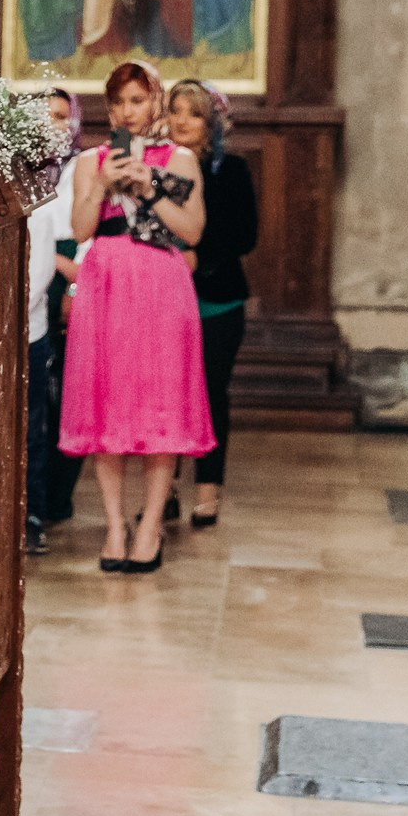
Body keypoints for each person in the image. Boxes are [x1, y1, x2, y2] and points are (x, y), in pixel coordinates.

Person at [58, 61, 211, 573]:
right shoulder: (89, 160)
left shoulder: (181, 159)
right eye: (120, 101)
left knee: (158, 401)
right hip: (105, 280)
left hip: (161, 283)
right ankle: (115, 525)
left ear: (156, 104)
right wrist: (102, 184)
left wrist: (149, 189)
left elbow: (191, 233)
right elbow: (80, 230)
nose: (129, 110)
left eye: (139, 100)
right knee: (108, 400)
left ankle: (149, 527)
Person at [166, 81, 256, 528]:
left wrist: (200, 257)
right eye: (175, 110)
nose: (182, 121)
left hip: (216, 300)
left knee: (208, 395)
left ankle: (207, 491)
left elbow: (246, 236)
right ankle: (163, 490)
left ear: (211, 123)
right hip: (163, 299)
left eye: (194, 113)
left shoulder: (232, 170)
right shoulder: (157, 166)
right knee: (166, 395)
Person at [23, 88, 83, 554]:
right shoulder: (18, 176)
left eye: (61, 116)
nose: (52, 125)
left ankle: (40, 508)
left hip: (51, 299)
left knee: (46, 413)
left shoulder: (82, 168)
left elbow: (77, 236)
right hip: (27, 299)